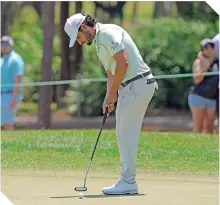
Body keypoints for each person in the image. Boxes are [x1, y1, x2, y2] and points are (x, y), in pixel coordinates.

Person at [64, 13, 157, 195]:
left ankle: (128, 182)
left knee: (126, 133)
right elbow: (112, 73)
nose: (80, 42)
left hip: (137, 84)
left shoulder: (107, 33)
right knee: (122, 133)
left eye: (78, 38)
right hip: (129, 86)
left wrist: (114, 92)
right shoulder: (98, 43)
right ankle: (127, 181)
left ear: (83, 28)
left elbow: (123, 63)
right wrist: (109, 97)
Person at [188, 39, 219, 133]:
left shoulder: (218, 62)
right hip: (198, 96)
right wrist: (206, 65)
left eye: (212, 46)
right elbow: (197, 79)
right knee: (198, 128)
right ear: (202, 50)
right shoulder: (198, 62)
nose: (210, 49)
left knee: (209, 128)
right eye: (206, 47)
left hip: (212, 98)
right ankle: (194, 147)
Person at [1, 36, 25, 130]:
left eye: (6, 44)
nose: (3, 46)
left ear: (11, 46)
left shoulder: (15, 60)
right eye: (1, 44)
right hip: (1, 95)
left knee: (7, 124)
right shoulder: (2, 60)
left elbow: (17, 81)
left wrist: (14, 99)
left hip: (10, 95)